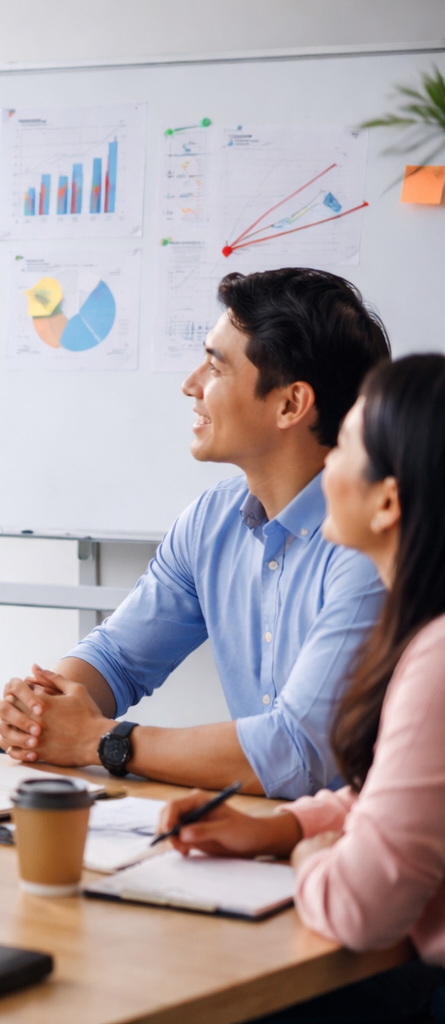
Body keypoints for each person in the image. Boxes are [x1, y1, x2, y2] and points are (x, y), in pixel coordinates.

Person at [0, 268, 390, 799]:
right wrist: (45, 709)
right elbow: (118, 658)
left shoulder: (374, 544)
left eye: (216, 366)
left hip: (361, 836)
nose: (191, 384)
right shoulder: (212, 519)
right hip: (258, 826)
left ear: (290, 405)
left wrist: (99, 741)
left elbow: (299, 754)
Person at [156, 354, 445, 1021]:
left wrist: (310, 857)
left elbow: (360, 907)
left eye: (344, 446)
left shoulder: (435, 660)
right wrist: (280, 829)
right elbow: (398, 798)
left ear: (387, 502)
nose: (325, 465)